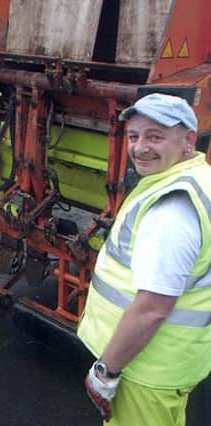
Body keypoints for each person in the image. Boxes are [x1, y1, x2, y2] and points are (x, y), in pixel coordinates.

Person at [77, 93, 211, 425]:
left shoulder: (172, 207)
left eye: (155, 136)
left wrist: (106, 371)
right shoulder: (197, 178)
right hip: (169, 362)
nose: (139, 148)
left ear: (188, 140)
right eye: (134, 136)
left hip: (144, 370)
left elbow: (153, 307)